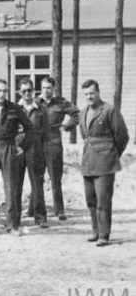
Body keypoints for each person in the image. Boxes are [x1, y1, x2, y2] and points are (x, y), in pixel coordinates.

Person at [0, 79, 33, 237]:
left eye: (4, 91)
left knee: (11, 188)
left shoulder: (15, 109)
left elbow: (29, 128)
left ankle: (12, 226)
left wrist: (21, 145)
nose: (2, 94)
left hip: (9, 147)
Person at [79, 79, 129, 247]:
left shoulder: (109, 110)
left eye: (92, 93)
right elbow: (85, 136)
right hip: (88, 160)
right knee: (90, 199)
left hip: (105, 162)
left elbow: (122, 136)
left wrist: (112, 154)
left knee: (103, 199)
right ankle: (95, 231)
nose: (89, 97)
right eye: (86, 94)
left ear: (98, 92)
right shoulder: (83, 111)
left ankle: (104, 235)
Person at [36, 76, 79, 220]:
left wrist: (66, 126)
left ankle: (59, 210)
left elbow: (76, 114)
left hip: (54, 141)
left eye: (48, 88)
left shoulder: (60, 102)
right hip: (38, 142)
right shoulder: (36, 102)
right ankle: (34, 209)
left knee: (55, 177)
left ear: (54, 88)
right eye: (43, 88)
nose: (46, 91)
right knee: (37, 177)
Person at [16, 78, 49, 229]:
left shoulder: (41, 109)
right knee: (16, 183)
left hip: (35, 148)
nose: (27, 93)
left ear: (34, 91)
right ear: (19, 92)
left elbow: (46, 131)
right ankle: (14, 217)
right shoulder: (15, 108)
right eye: (24, 91)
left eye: (29, 90)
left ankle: (40, 217)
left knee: (37, 183)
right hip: (19, 148)